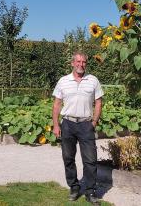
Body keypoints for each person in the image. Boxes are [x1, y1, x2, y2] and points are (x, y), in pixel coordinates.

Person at [52, 51, 103, 204]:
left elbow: (98, 102)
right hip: (67, 123)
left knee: (90, 160)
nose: (81, 65)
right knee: (68, 158)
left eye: (84, 62)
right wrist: (56, 124)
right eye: (78, 62)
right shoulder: (63, 81)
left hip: (86, 124)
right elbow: (57, 104)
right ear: (72, 63)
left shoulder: (93, 80)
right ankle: (74, 187)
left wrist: (93, 122)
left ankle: (90, 192)